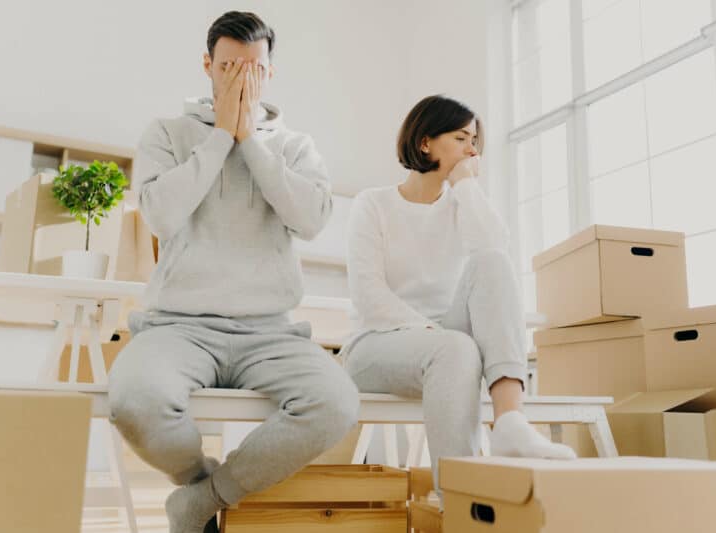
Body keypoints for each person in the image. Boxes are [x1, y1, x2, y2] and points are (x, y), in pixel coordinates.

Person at [107, 11, 359, 533]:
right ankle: (199, 481)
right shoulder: (167, 133)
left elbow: (311, 220)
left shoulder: (295, 146)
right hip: (178, 325)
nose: (242, 78)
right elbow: (160, 216)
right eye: (229, 67)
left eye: (254, 68)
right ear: (207, 66)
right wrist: (221, 136)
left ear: (270, 72)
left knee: (336, 403)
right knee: (134, 400)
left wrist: (252, 141)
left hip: (270, 331)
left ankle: (202, 502)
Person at [343, 94, 576, 492]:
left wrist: (465, 185)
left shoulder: (461, 203)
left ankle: (509, 422)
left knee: (493, 264)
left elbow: (494, 251)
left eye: (475, 142)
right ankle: (459, 502)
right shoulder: (373, 204)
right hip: (376, 345)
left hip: (445, 344)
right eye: (461, 138)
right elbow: (370, 297)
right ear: (425, 142)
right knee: (456, 349)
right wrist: (436, 336)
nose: (472, 150)